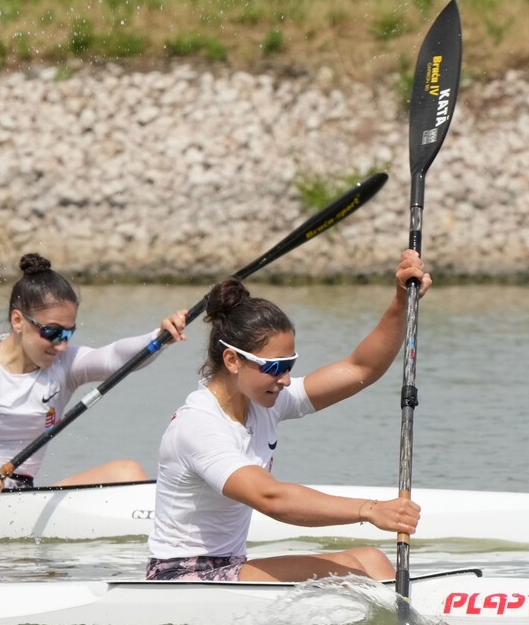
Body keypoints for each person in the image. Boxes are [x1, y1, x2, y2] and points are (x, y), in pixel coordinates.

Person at [147, 250, 430, 583]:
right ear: (232, 360)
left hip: (231, 565)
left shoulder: (266, 399)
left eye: (289, 365)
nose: (284, 379)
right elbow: (272, 498)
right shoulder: (199, 425)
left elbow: (360, 368)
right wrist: (370, 510)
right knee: (359, 573)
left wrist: (400, 301)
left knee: (370, 559)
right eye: (275, 368)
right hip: (178, 577)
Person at [0, 253, 187, 501]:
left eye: (68, 334)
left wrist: (159, 337)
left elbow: (116, 357)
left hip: (19, 493)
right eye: (52, 332)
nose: (61, 345)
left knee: (128, 472)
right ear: (17, 320)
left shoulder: (65, 364)